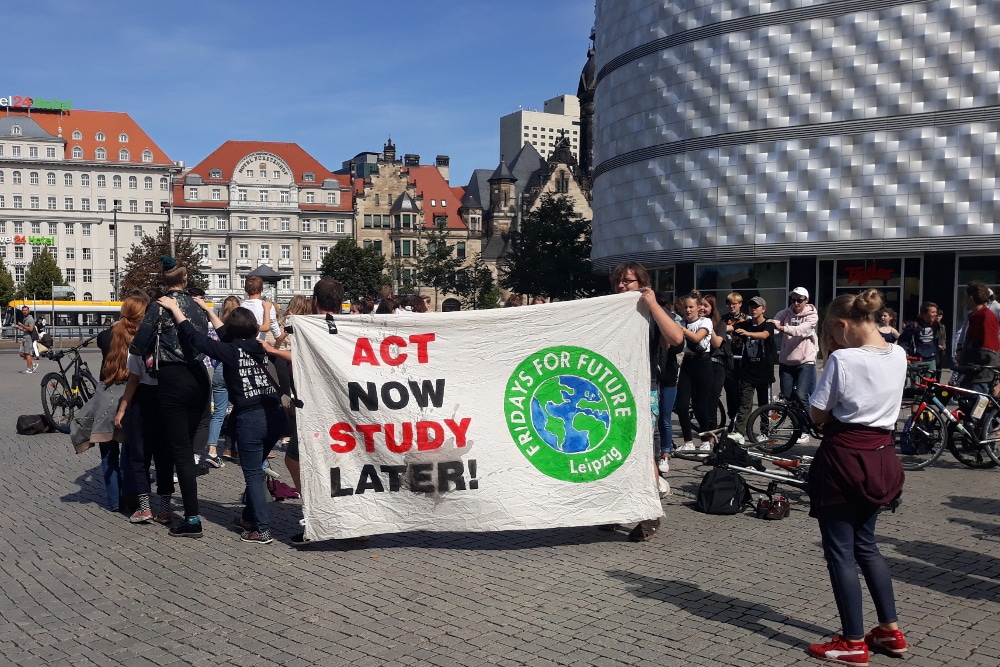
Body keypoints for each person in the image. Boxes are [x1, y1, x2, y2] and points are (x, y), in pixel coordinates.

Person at [806, 288, 907, 664]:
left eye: (833, 332)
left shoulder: (843, 359)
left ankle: (852, 642)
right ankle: (890, 630)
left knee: (841, 553)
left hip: (844, 458)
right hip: (882, 457)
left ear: (843, 325)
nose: (833, 340)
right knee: (867, 545)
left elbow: (817, 412)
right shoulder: (898, 353)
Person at [159, 295, 286, 544]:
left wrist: (175, 309)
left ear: (232, 330)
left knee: (253, 474)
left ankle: (262, 530)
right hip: (275, 416)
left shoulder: (229, 351)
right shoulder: (258, 346)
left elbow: (195, 338)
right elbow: (223, 332)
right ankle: (249, 518)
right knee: (257, 469)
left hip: (251, 418)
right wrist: (207, 309)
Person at [128, 256, 210, 538]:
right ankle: (181, 509)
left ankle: (192, 518)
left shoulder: (159, 306)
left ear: (164, 281)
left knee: (180, 452)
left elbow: (138, 346)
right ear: (186, 279)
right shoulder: (198, 304)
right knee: (187, 444)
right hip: (200, 377)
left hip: (173, 379)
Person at [609, 263, 684, 542]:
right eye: (618, 281)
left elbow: (676, 337)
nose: (621, 286)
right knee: (612, 449)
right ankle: (617, 506)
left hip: (643, 389)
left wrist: (652, 304)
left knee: (640, 451)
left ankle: (650, 511)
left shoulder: (652, 311)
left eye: (628, 281)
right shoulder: (611, 310)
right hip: (612, 390)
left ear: (641, 283)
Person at [771, 287, 819, 443]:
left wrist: (782, 328)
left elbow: (801, 330)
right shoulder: (785, 313)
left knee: (801, 395)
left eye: (800, 300)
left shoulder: (812, 315)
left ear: (807, 300)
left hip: (805, 361)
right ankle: (796, 426)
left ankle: (805, 430)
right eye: (794, 300)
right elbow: (775, 324)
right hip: (786, 361)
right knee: (787, 397)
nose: (796, 303)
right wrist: (768, 325)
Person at [201, 295, 242, 470]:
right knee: (236, 410)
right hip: (234, 370)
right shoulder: (239, 326)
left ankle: (212, 449)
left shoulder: (216, 325)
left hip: (219, 370)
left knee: (218, 412)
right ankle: (231, 447)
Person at [674, 292, 716, 453]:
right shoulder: (681, 322)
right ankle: (688, 441)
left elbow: (698, 338)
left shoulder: (705, 322)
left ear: (698, 308)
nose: (688, 310)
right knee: (681, 406)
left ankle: (705, 440)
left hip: (703, 363)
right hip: (687, 363)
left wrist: (681, 330)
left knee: (700, 407)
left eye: (691, 307)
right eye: (686, 307)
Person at [733, 296, 776, 436]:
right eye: (751, 306)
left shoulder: (769, 324)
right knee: (744, 405)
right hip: (747, 373)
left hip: (764, 373)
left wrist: (748, 334)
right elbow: (730, 328)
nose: (753, 309)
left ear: (763, 309)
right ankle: (739, 433)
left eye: (756, 306)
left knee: (765, 406)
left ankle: (765, 433)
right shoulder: (745, 324)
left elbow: (764, 335)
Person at [958, 281, 1000, 394]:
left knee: (976, 403)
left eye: (965, 297)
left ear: (971, 298)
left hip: (979, 376)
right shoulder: (975, 316)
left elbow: (989, 349)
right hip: (972, 374)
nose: (964, 300)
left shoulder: (986, 317)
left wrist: (971, 363)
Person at [722, 292, 748, 429]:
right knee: (731, 390)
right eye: (729, 304)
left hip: (743, 358)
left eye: (734, 304)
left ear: (740, 304)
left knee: (743, 392)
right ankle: (732, 418)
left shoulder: (747, 318)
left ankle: (742, 420)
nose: (732, 306)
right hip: (728, 357)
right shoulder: (723, 319)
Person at [897, 301, 942, 374]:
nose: (935, 314)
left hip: (931, 360)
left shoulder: (936, 325)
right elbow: (902, 341)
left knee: (931, 381)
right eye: (933, 312)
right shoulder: (914, 326)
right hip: (916, 360)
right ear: (924, 313)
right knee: (916, 381)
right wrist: (905, 354)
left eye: (936, 312)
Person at [16, 306, 39, 373]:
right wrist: (19, 327)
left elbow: (31, 329)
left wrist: (22, 325)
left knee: (27, 353)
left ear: (29, 311)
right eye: (23, 310)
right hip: (25, 337)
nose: (24, 311)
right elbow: (26, 329)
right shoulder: (25, 318)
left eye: (26, 310)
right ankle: (33, 364)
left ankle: (28, 369)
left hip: (28, 338)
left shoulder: (30, 319)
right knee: (21, 353)